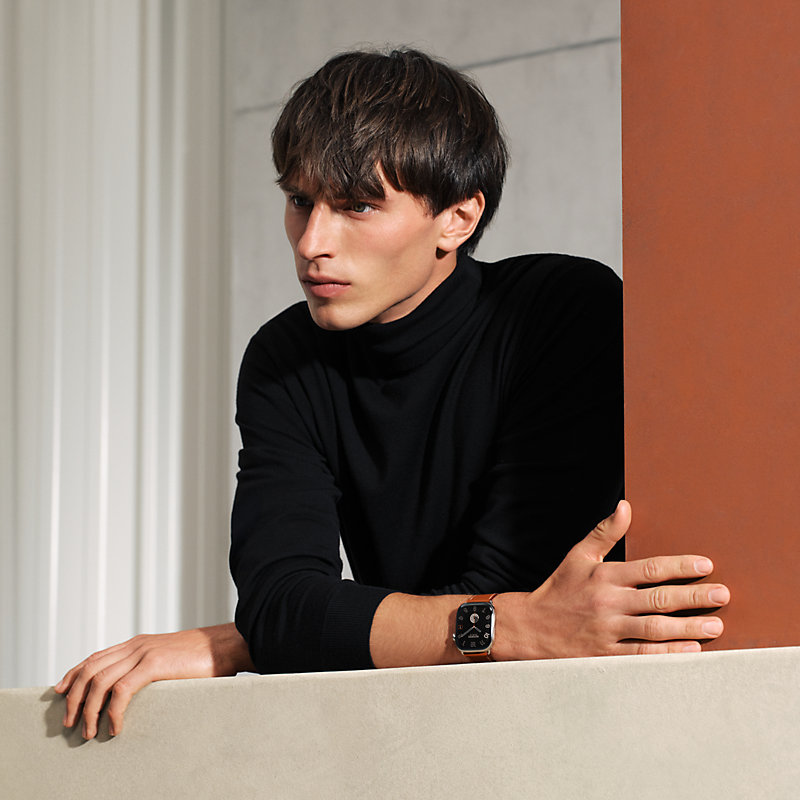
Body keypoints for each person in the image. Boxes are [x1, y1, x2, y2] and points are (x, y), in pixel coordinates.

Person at [56, 48, 730, 738]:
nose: (312, 242)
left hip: (606, 718)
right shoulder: (285, 359)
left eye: (357, 206)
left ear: (458, 218)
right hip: (414, 726)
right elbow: (286, 604)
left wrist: (244, 641)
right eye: (300, 201)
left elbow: (515, 592)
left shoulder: (560, 312)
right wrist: (280, 628)